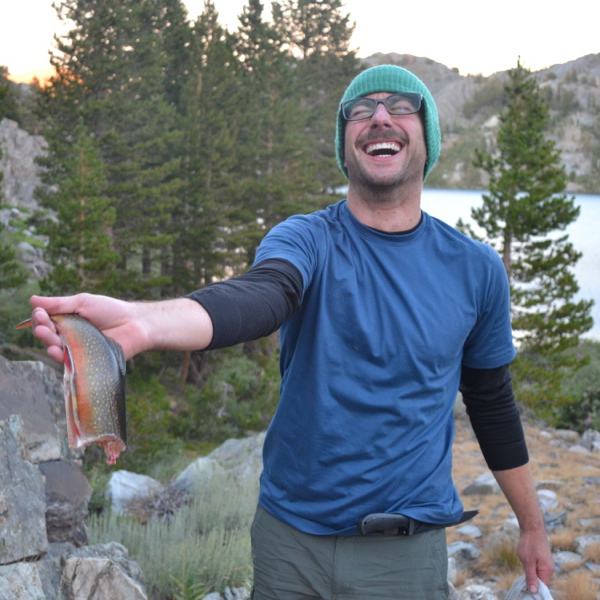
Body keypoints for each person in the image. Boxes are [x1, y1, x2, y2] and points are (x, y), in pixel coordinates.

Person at [28, 65, 554, 599]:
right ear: (345, 145)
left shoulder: (476, 269)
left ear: (427, 136)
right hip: (289, 548)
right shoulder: (307, 238)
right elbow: (261, 296)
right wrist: (145, 323)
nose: (378, 117)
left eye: (400, 106)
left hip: (405, 558)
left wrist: (532, 525)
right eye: (359, 110)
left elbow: (491, 405)